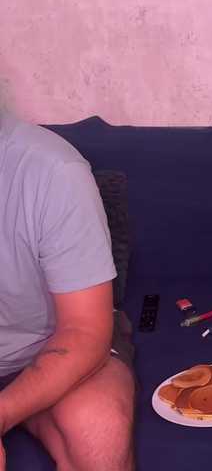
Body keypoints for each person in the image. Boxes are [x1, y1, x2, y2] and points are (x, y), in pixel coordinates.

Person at [0, 112, 135, 470]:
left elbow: (83, 331)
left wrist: (3, 412)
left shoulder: (54, 170)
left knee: (97, 432)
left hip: (50, 348)